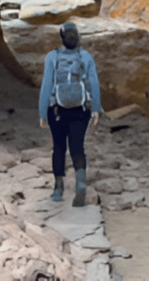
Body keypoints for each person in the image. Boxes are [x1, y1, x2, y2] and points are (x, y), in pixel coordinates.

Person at [38, 22, 103, 207]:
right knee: (77, 146)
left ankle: (58, 189)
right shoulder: (85, 57)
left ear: (62, 38)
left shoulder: (53, 56)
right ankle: (81, 182)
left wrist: (43, 112)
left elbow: (46, 86)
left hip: (57, 109)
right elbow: (94, 83)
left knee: (58, 147)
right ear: (78, 38)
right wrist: (96, 109)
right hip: (80, 110)